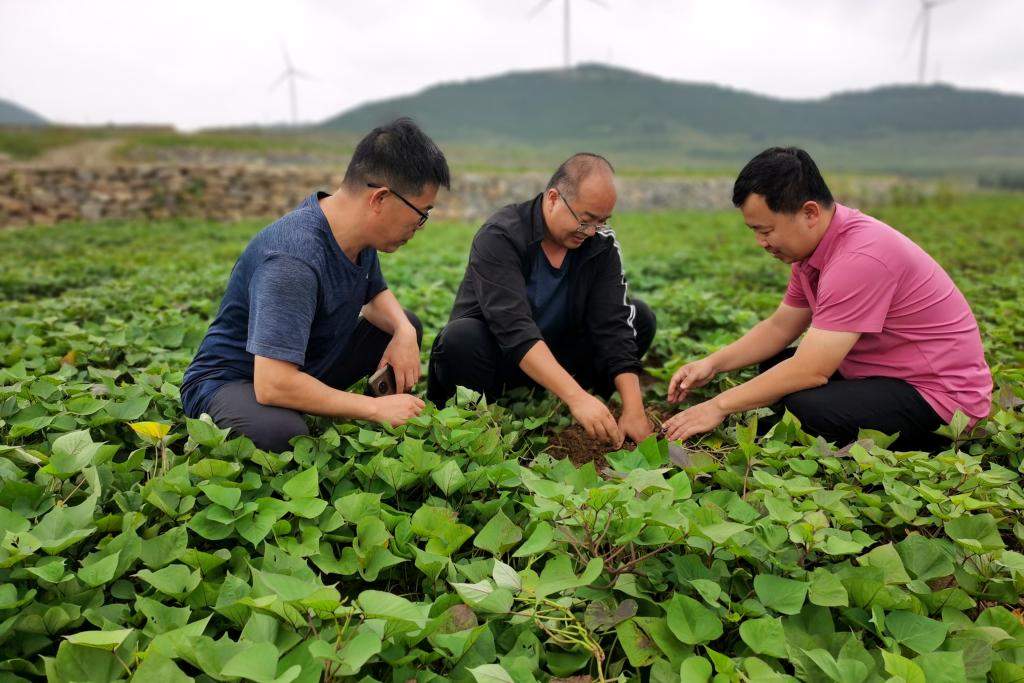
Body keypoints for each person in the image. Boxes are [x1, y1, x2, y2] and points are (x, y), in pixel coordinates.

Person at [662, 147, 991, 451]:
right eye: (754, 231)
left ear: (809, 213)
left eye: (765, 230)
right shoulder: (812, 250)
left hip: (941, 399)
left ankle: (931, 448)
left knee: (806, 406)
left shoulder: (859, 257)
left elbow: (812, 370)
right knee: (775, 365)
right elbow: (780, 327)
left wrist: (718, 406)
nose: (761, 243)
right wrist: (712, 364)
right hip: (886, 375)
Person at [180, 118, 450, 452]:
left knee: (403, 323)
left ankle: (326, 402)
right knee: (285, 434)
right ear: (379, 199)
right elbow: (272, 384)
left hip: (305, 362)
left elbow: (374, 293)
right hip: (239, 380)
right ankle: (229, 423)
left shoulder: (355, 235)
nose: (419, 225)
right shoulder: (293, 258)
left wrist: (404, 332)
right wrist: (374, 409)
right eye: (421, 213)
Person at [428, 153, 656, 447]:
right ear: (552, 198)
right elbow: (514, 329)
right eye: (585, 220)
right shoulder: (501, 234)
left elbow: (613, 324)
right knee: (460, 338)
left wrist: (634, 409)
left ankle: (580, 400)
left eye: (602, 221)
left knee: (640, 318)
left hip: (558, 357)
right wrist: (575, 397)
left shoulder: (600, 243)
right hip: (499, 359)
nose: (590, 232)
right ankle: (481, 414)